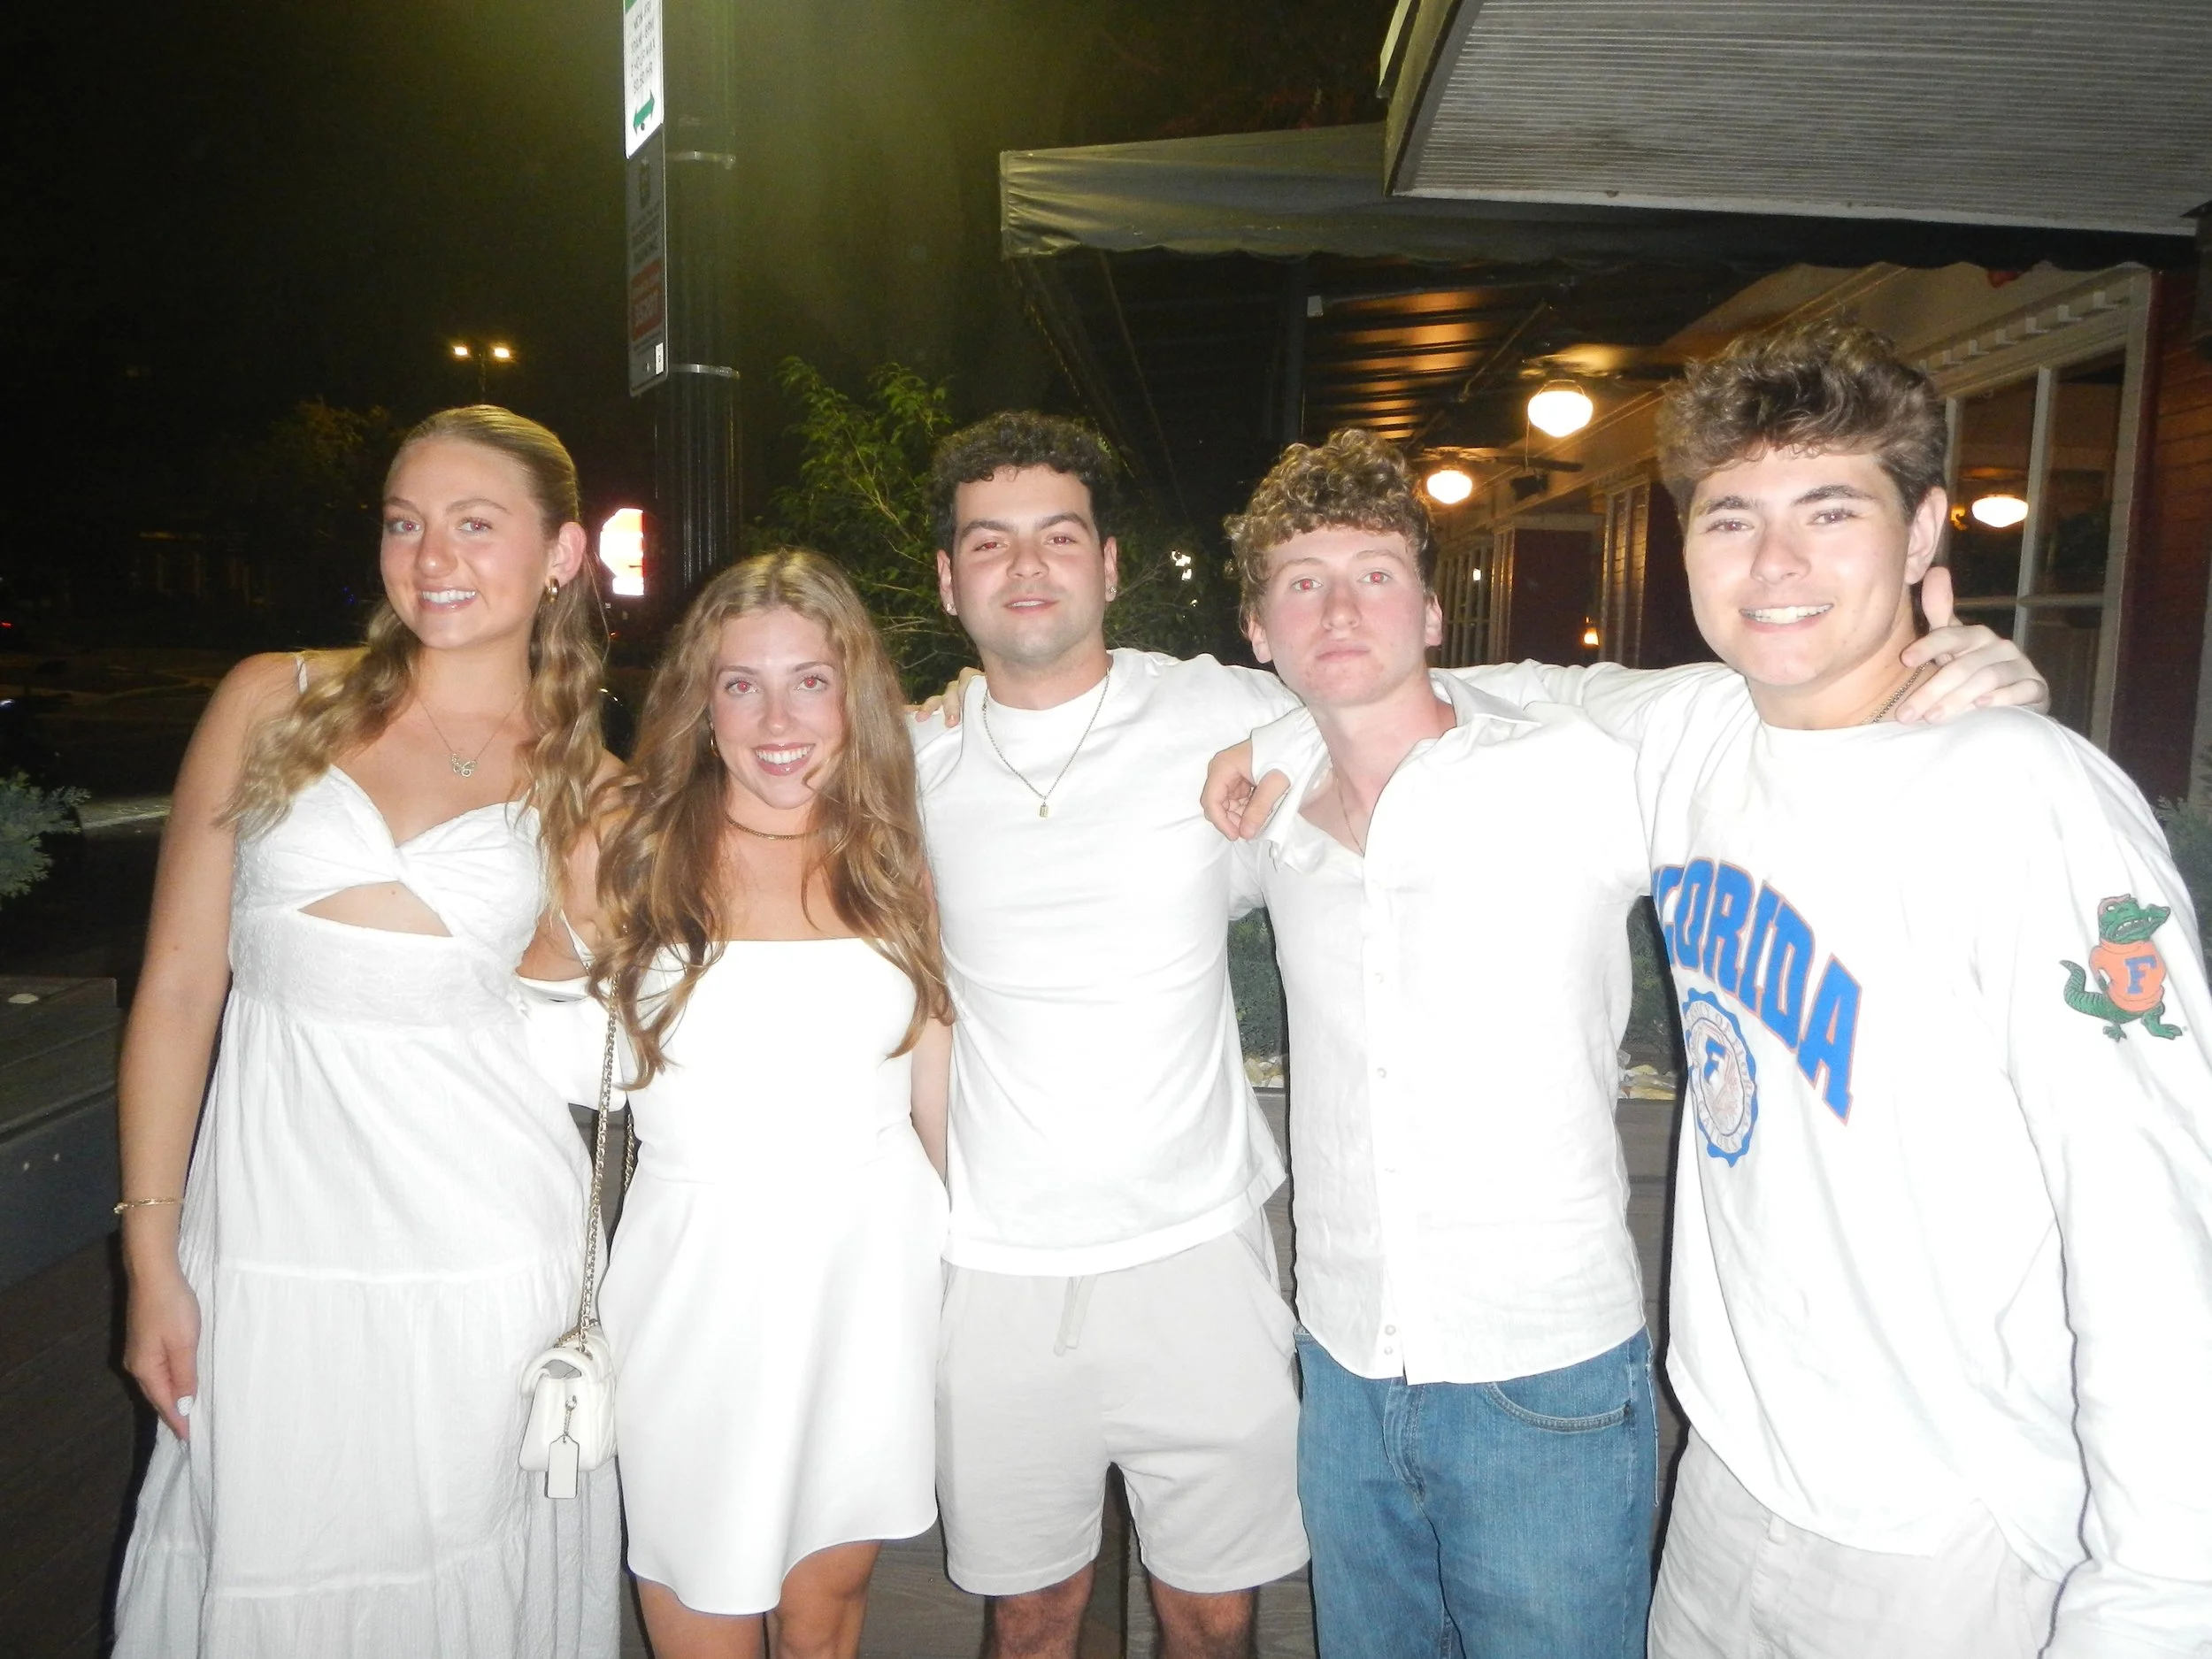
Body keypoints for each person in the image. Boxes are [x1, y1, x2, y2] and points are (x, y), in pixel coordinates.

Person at [1219, 319, 2212, 1656]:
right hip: (1731, 1470)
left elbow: (2156, 1215)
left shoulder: (2022, 796)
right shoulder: (1692, 734)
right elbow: (1458, 687)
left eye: (1830, 509)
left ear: (1924, 533)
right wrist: (1288, 725)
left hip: (1944, 1512)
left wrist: (2160, 1593)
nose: (1778, 563)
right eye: (1733, 517)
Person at [112, 406, 621, 1656]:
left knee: (455, 1565)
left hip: (484, 1252)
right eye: (406, 521)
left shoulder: (591, 780)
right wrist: (149, 1245)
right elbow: (179, 988)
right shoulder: (272, 699)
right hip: (271, 1242)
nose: (431, 554)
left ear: (560, 554)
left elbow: (620, 1017)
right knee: (267, 1545)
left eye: (474, 523)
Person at [914, 412, 1311, 1658]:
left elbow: (1427, 705)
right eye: (990, 541)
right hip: (993, 1262)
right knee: (1028, 1616)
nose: (1026, 567)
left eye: (1058, 535)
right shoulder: (906, 758)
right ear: (948, 578)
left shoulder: (1226, 712)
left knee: (1211, 1613)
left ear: (1110, 560)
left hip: (1197, 1249)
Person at [521, 549, 953, 1659]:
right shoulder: (627, 846)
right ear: (697, 703)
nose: (776, 718)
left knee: (827, 1616)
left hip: (872, 1271)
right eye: (739, 683)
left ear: (854, 697)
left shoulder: (895, 847)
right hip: (699, 1278)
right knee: (702, 1598)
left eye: (810, 680)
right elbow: (539, 1063)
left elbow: (931, 1067)